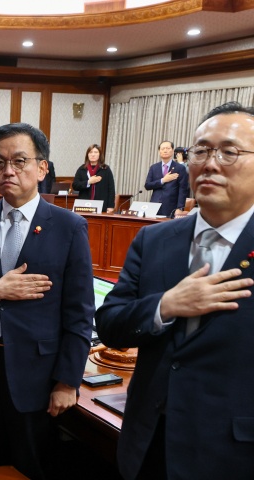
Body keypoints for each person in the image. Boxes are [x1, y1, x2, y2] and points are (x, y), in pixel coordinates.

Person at [96, 102, 254, 480]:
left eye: (229, 152)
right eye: (200, 150)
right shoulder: (154, 240)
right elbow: (110, 325)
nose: (210, 163)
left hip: (233, 450)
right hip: (149, 438)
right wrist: (165, 306)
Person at [0, 123, 94, 478]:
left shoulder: (69, 227)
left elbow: (80, 312)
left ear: (42, 168)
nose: (7, 171)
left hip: (36, 373)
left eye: (19, 161)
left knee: (30, 465)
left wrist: (68, 381)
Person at [145, 140, 189, 217]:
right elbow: (147, 185)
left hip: (171, 206)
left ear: (172, 151)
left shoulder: (180, 168)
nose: (165, 150)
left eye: (168, 148)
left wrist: (180, 208)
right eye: (163, 149)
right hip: (154, 205)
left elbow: (183, 189)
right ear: (159, 151)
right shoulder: (154, 167)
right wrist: (163, 180)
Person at [72, 144, 116, 212]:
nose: (93, 154)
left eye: (95, 152)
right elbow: (75, 185)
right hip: (84, 205)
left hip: (101, 205)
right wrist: (88, 182)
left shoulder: (105, 169)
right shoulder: (82, 169)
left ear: (100, 155)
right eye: (90, 152)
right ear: (87, 155)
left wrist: (110, 206)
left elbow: (111, 189)